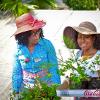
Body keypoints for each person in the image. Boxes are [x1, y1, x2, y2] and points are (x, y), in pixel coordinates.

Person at [12, 13, 61, 93]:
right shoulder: (19, 49)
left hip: (46, 88)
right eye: (32, 34)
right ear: (23, 35)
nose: (37, 36)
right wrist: (15, 91)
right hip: (26, 91)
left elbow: (54, 68)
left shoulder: (47, 45)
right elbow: (17, 72)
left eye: (38, 32)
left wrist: (55, 89)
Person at [63, 21, 100, 100]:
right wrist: (58, 91)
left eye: (86, 37)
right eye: (80, 37)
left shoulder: (98, 56)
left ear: (93, 39)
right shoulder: (77, 55)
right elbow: (70, 76)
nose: (82, 40)